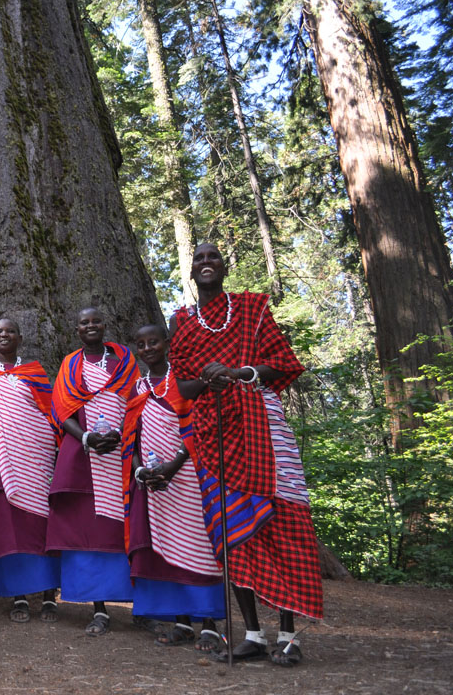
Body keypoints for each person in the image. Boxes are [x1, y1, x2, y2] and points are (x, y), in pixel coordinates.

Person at [169, 242, 323, 666]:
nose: (205, 264)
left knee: (281, 524)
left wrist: (240, 373)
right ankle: (253, 634)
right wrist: (208, 379)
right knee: (230, 532)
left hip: (261, 427)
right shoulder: (182, 321)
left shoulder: (253, 310)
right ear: (191, 270)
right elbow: (182, 388)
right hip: (212, 433)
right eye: (198, 259)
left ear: (225, 264)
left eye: (213, 257)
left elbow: (283, 362)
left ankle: (289, 635)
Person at [122, 324, 224, 651]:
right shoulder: (137, 388)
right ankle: (181, 621)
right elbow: (131, 438)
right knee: (166, 549)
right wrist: (140, 471)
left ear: (166, 345)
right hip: (154, 485)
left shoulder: (182, 383)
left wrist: (174, 465)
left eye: (154, 342)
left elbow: (197, 427)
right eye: (141, 344)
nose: (148, 348)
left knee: (198, 548)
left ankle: (208, 623)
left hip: (187, 478)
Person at [47, 307, 136, 635]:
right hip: (81, 453)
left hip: (119, 454)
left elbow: (138, 403)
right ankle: (98, 608)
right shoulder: (70, 364)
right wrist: (86, 436)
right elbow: (60, 408)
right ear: (77, 328)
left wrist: (120, 433)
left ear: (105, 324)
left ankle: (141, 602)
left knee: (123, 527)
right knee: (86, 528)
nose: (91, 326)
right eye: (84, 322)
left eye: (96, 321)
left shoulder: (124, 362)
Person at [0, 318, 60, 623]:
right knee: (6, 524)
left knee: (41, 522)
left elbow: (49, 414)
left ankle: (49, 596)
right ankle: (18, 596)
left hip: (36, 459)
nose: (4, 335)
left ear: (20, 337)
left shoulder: (34, 373)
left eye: (9, 331)